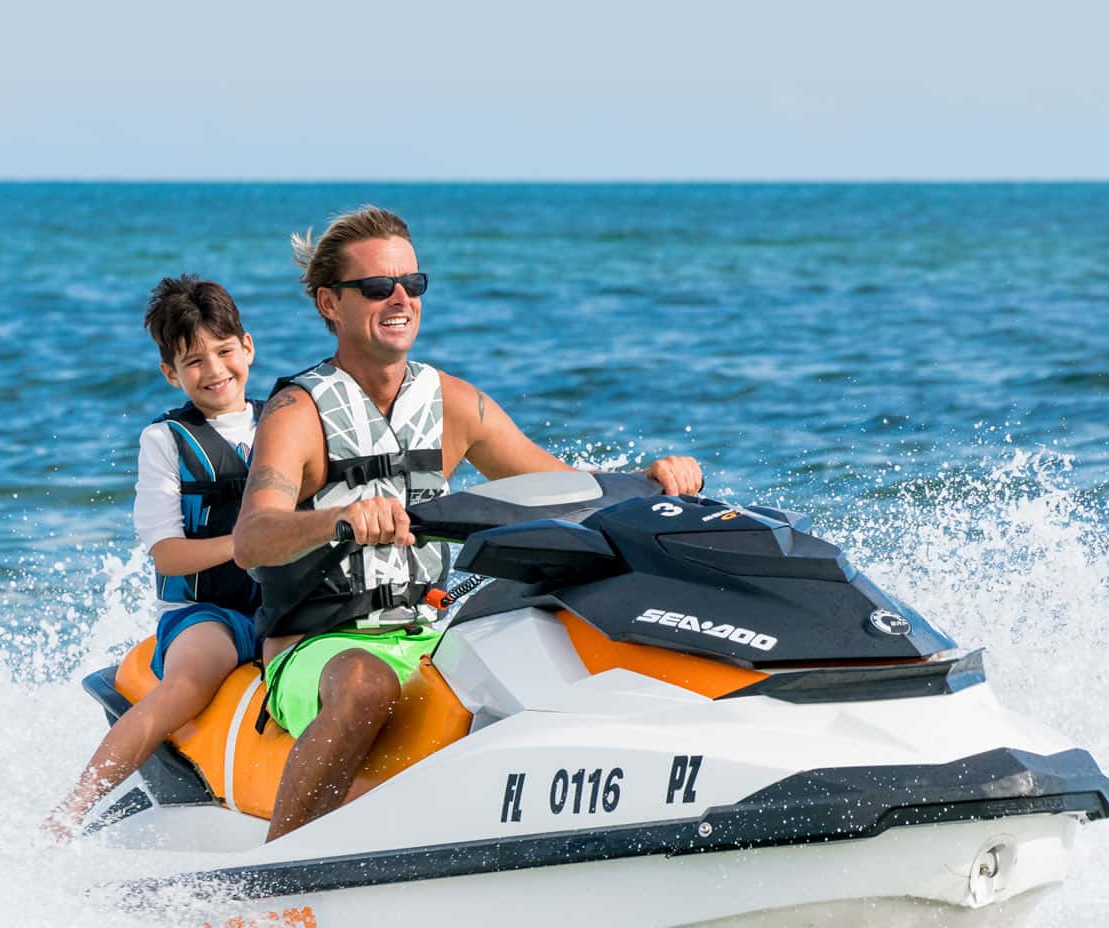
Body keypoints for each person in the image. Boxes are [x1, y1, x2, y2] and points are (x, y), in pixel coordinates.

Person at [233, 206, 703, 841]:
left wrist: (656, 483)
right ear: (330, 304)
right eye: (377, 287)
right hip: (319, 647)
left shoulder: (455, 403)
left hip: (432, 628)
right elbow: (252, 539)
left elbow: (561, 493)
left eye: (412, 284)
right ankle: (274, 881)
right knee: (368, 684)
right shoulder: (297, 411)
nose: (400, 299)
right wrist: (340, 519)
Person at [46, 275, 264, 839]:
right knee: (190, 684)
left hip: (288, 605)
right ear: (171, 373)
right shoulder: (165, 441)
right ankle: (69, 814)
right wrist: (244, 547)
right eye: (194, 361)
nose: (214, 370)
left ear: (248, 347)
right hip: (206, 614)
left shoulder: (288, 420)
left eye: (224, 351)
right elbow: (167, 556)